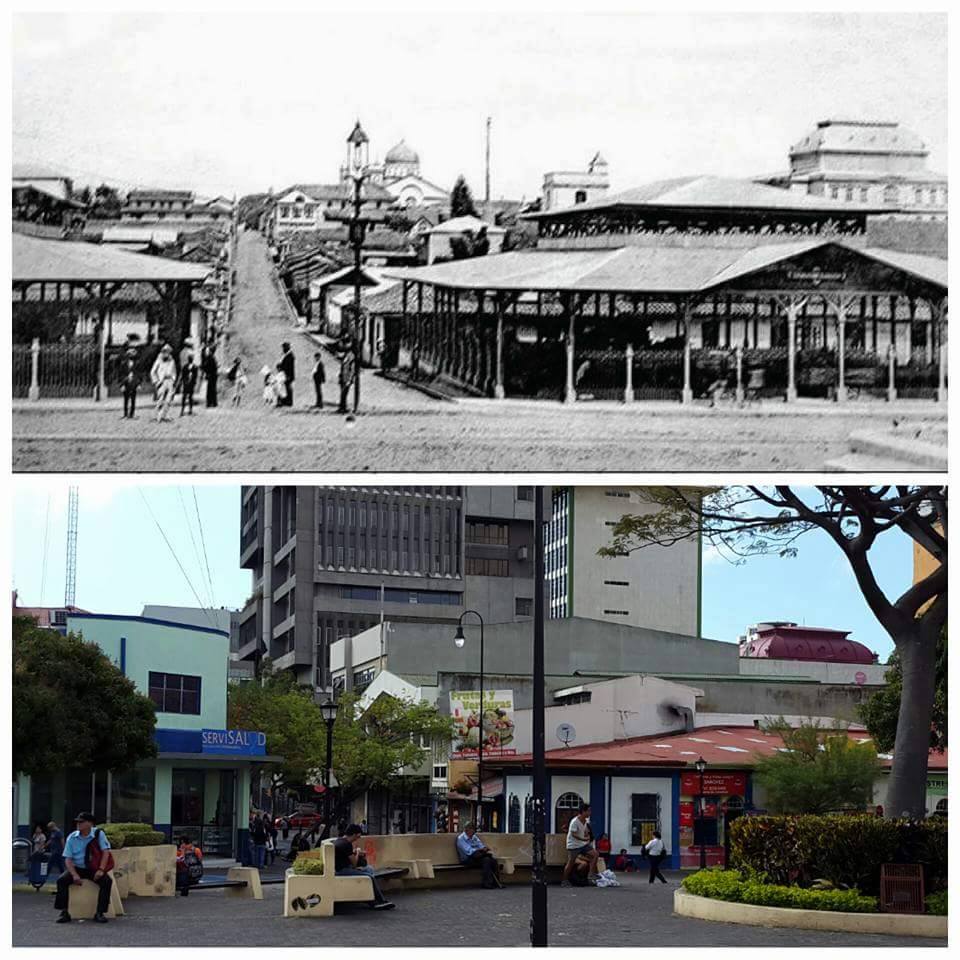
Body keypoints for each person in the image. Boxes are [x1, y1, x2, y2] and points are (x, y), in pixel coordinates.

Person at [54, 812, 113, 924]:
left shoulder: (98, 834)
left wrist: (101, 870)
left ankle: (100, 912)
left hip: (93, 868)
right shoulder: (72, 837)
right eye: (77, 822)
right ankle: (64, 912)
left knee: (107, 881)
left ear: (90, 824)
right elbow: (68, 858)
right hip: (77, 868)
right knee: (61, 880)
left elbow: (106, 852)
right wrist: (74, 874)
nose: (78, 824)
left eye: (81, 822)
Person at [334, 824, 395, 910]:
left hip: (341, 868)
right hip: (342, 871)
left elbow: (346, 857)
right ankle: (380, 901)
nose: (358, 838)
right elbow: (354, 863)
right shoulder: (347, 844)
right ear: (354, 834)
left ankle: (370, 898)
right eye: (358, 836)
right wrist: (358, 853)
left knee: (368, 869)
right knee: (369, 877)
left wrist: (354, 853)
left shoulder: (339, 840)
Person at [562, 803, 598, 887]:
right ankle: (564, 880)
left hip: (582, 844)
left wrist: (586, 834)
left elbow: (584, 830)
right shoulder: (575, 821)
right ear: (583, 811)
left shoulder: (585, 821)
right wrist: (583, 839)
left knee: (595, 854)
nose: (590, 813)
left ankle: (590, 874)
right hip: (573, 845)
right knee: (570, 863)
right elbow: (573, 834)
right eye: (588, 811)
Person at [455, 822, 501, 889]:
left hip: (478, 856)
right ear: (466, 830)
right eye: (472, 829)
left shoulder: (474, 837)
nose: (473, 832)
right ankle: (486, 883)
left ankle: (496, 883)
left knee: (493, 860)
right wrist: (481, 850)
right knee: (486, 860)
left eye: (474, 829)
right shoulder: (461, 839)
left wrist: (484, 849)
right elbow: (469, 851)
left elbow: (481, 845)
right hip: (467, 859)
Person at [150, 343, 177, 422]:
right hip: (162, 381)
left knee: (168, 400)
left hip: (170, 381)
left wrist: (173, 379)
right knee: (160, 400)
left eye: (168, 352)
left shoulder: (172, 360)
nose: (166, 354)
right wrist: (156, 381)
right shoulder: (159, 360)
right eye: (165, 352)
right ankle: (157, 415)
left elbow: (174, 371)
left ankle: (165, 415)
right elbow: (153, 372)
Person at [202, 342, 218, 408]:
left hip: (210, 375)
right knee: (213, 389)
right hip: (214, 375)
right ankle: (214, 403)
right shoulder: (213, 357)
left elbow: (206, 366)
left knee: (209, 389)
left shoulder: (209, 357)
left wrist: (204, 369)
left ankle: (209, 403)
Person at [279, 342, 295, 407]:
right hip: (286, 374)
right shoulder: (287, 354)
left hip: (289, 374)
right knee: (287, 387)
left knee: (289, 387)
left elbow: (290, 367)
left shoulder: (290, 355)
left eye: (284, 347)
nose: (283, 349)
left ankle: (289, 401)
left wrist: (288, 375)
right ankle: (288, 400)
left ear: (287, 348)